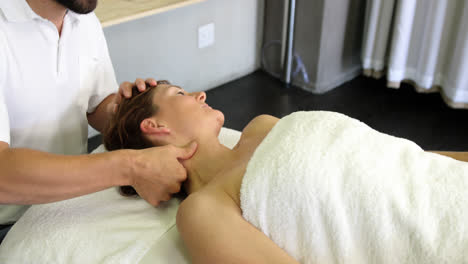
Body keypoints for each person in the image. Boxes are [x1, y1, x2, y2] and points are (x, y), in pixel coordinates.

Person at [103, 81, 468, 263]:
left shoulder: (261, 127)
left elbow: (396, 158)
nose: (199, 94)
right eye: (179, 93)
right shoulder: (204, 210)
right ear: (154, 126)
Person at [0, 0, 197, 241]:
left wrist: (131, 112)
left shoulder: (82, 20)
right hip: (10, 224)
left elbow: (96, 106)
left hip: (64, 207)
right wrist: (131, 167)